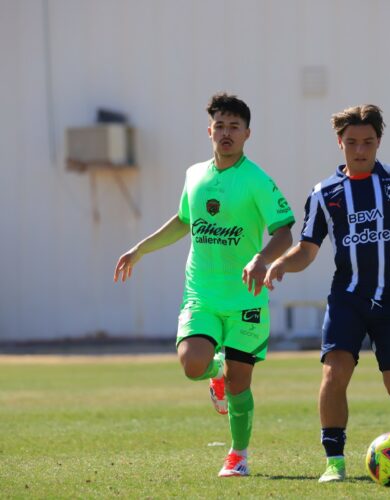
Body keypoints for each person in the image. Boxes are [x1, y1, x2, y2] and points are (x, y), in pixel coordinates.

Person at [114, 92, 294, 478]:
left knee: (241, 384)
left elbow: (285, 233)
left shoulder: (257, 180)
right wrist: (140, 249)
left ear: (247, 133)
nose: (226, 133)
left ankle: (238, 455)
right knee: (191, 364)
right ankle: (216, 373)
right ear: (209, 130)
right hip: (202, 294)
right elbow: (183, 221)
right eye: (220, 126)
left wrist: (262, 259)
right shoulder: (194, 174)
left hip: (246, 296)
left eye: (234, 127)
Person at [264, 104, 390, 482]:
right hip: (347, 297)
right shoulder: (324, 192)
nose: (360, 150)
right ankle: (335, 461)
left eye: (368, 142)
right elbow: (307, 249)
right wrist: (281, 263)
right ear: (339, 143)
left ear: (379, 141)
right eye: (352, 143)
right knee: (334, 373)